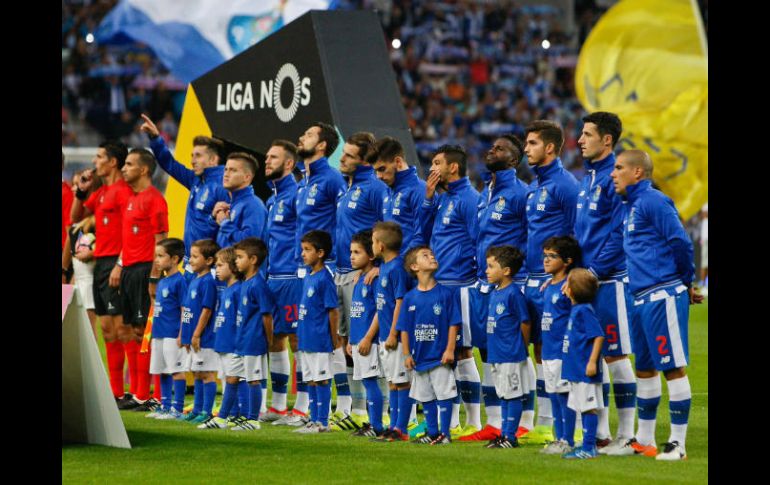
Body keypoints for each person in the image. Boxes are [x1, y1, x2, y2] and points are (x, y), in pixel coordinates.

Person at [608, 149, 703, 461]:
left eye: (619, 167)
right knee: (645, 368)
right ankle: (644, 440)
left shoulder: (653, 201)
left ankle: (677, 444)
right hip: (639, 297)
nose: (613, 173)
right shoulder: (630, 206)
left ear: (638, 172)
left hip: (662, 293)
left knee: (672, 366)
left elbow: (680, 242)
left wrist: (685, 282)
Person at [460, 134, 530, 443]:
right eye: (492, 146)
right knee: (487, 352)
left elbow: (531, 236)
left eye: (500, 148)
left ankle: (525, 421)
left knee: (514, 352)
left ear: (514, 160)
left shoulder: (519, 194)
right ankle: (495, 421)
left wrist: (517, 276)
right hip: (484, 284)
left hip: (509, 285)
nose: (492, 150)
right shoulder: (485, 192)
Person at [575, 112, 636, 453]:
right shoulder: (588, 179)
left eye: (587, 134)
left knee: (615, 356)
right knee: (593, 358)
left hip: (608, 282)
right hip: (587, 281)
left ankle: (626, 434)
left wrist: (595, 271)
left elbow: (618, 233)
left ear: (607, 140)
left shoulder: (616, 178)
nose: (580, 140)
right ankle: (599, 432)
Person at [419, 144, 482, 438]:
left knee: (462, 351)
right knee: (446, 354)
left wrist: (474, 277)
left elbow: (477, 240)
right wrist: (429, 199)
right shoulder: (444, 198)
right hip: (442, 284)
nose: (431, 169)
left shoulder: (469, 199)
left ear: (452, 167)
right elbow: (427, 233)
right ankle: (453, 420)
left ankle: (474, 420)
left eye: (436, 163)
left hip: (460, 285)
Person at [522, 120, 579, 443]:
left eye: (531, 143)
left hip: (554, 281)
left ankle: (567, 425)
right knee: (538, 353)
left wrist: (566, 277)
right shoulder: (535, 186)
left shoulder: (565, 185)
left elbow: (575, 233)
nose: (526, 149)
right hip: (531, 278)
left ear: (549, 148)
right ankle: (545, 421)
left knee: (555, 352)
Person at [70, 141, 134, 403]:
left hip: (116, 263)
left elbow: (129, 231)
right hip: (100, 264)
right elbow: (75, 219)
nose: (94, 162)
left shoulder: (123, 192)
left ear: (112, 162)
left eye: (99, 157)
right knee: (107, 328)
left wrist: (120, 262)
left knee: (123, 328)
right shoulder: (103, 192)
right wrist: (81, 192)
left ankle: (137, 392)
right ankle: (115, 391)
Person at [332, 132, 387, 429]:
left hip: (365, 275)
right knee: (349, 344)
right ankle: (359, 410)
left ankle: (381, 412)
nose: (343, 160)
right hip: (343, 271)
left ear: (365, 160)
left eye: (349, 156)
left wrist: (377, 264)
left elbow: (388, 230)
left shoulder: (375, 189)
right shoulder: (347, 187)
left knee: (371, 344)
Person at [294, 123, 347, 419]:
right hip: (306, 269)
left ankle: (350, 406)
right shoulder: (304, 181)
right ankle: (312, 410)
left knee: (335, 342)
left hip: (329, 267)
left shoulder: (331, 180)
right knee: (308, 344)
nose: (302, 137)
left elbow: (343, 222)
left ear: (323, 145)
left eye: (309, 135)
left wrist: (337, 259)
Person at [140, 114, 229, 280]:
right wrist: (155, 138)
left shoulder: (223, 187)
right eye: (192, 156)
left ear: (213, 159)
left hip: (208, 268)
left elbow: (226, 230)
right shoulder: (195, 180)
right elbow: (170, 164)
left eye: (198, 156)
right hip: (190, 263)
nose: (192, 161)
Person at [117, 148, 169, 411]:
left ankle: (154, 396)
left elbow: (161, 244)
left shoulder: (155, 200)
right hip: (128, 271)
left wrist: (154, 278)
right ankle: (138, 393)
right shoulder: (132, 198)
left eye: (128, 164)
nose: (123, 168)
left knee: (147, 333)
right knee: (132, 332)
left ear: (144, 169)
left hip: (143, 273)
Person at [260, 140, 307, 424]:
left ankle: (302, 405)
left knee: (298, 339)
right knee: (274, 339)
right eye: (267, 156)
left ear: (289, 164)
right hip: (273, 277)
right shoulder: (272, 198)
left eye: (273, 157)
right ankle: (278, 406)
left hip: (292, 277)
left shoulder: (296, 195)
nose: (267, 161)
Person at [398, 245, 460, 445]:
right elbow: (404, 328)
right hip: (419, 357)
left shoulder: (445, 294)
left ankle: (445, 434)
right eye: (426, 256)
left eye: (432, 254)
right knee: (425, 396)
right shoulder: (410, 298)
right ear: (415, 267)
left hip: (439, 356)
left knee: (444, 394)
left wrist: (450, 349)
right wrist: (406, 354)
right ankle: (432, 432)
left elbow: (453, 323)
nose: (432, 256)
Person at [483, 245, 531, 449]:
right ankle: (504, 434)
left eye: (491, 266)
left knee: (512, 394)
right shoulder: (495, 292)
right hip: (496, 353)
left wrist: (521, 346)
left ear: (506, 271)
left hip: (511, 353)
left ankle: (510, 437)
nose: (486, 270)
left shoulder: (514, 294)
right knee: (503, 394)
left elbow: (525, 322)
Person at [371, 221, 415, 441]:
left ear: (380, 246)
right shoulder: (385, 268)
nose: (372, 245)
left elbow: (400, 302)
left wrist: (393, 333)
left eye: (372, 241)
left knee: (402, 382)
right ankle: (394, 425)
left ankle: (402, 428)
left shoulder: (397, 268)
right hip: (384, 336)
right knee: (392, 382)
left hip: (393, 337)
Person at [294, 230, 340, 434]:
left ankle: (323, 421)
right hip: (306, 338)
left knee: (321, 378)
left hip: (320, 338)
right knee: (310, 378)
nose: (303, 254)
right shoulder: (309, 276)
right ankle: (313, 419)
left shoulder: (325, 278)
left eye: (307, 250)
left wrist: (333, 337)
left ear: (320, 253)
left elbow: (332, 310)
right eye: (302, 249)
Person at [539, 236, 580, 455]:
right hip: (548, 349)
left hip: (562, 350)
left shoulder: (569, 287)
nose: (546, 260)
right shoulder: (549, 285)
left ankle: (568, 438)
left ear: (567, 261)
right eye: (545, 255)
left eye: (552, 256)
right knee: (553, 394)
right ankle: (558, 436)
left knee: (564, 395)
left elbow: (576, 317)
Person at [230, 237, 275, 431]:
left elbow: (267, 316)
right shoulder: (245, 284)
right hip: (242, 340)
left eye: (240, 257)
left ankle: (252, 420)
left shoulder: (258, 284)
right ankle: (227, 416)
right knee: (232, 377)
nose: (236, 261)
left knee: (253, 379)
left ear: (253, 259)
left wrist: (269, 341)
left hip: (254, 340)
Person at [560, 268, 605, 460]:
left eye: (568, 283)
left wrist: (592, 362)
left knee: (588, 408)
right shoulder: (577, 309)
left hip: (585, 370)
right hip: (575, 369)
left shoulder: (585, 311)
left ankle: (589, 447)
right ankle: (585, 445)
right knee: (580, 406)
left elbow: (598, 336)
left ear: (571, 290)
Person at [345, 230, 385, 438]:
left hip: (370, 340)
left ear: (371, 255)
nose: (351, 256)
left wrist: (368, 337)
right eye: (351, 251)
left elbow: (379, 310)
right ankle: (373, 423)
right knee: (366, 382)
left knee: (371, 382)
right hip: (359, 339)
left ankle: (377, 425)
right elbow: (358, 312)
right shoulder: (359, 277)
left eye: (357, 252)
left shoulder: (374, 279)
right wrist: (352, 339)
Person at [199, 247, 244, 429]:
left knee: (235, 379)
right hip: (223, 343)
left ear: (233, 268)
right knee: (227, 379)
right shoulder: (226, 289)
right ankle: (232, 415)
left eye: (219, 265)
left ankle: (228, 416)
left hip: (233, 345)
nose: (216, 269)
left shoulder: (238, 291)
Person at [176, 239, 220, 424]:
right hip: (191, 336)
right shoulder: (194, 280)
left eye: (195, 257)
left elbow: (207, 310)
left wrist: (196, 334)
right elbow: (186, 309)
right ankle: (197, 408)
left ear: (209, 260)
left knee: (207, 373)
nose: (190, 261)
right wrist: (182, 334)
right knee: (196, 372)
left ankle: (206, 411)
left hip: (204, 338)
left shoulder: (208, 282)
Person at [146, 238, 188, 420]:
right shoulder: (162, 281)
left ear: (174, 259)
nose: (157, 260)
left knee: (176, 370)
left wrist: (182, 333)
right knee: (162, 369)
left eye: (161, 256)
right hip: (159, 333)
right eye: (156, 256)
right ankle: (165, 405)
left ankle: (177, 409)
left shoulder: (180, 281)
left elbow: (184, 309)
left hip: (173, 334)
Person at [371, 136, 426, 254]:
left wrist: (398, 263)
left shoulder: (420, 190)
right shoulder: (386, 191)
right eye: (375, 171)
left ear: (398, 162)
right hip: (389, 268)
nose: (378, 176)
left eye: (381, 169)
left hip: (408, 267)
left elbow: (423, 236)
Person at [213, 152, 268, 248]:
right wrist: (214, 217)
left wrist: (224, 223)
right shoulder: (231, 204)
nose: (226, 174)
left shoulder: (254, 205)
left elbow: (249, 244)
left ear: (247, 177)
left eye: (233, 170)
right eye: (226, 169)